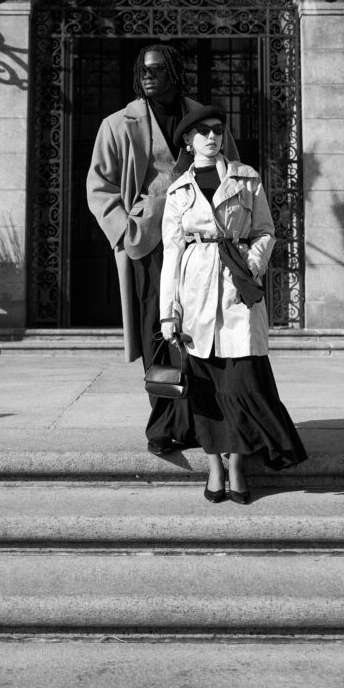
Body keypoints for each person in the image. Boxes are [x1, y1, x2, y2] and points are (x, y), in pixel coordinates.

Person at [86, 44, 239, 456]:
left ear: (175, 71)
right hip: (150, 245)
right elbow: (98, 187)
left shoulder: (207, 120)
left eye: (156, 69)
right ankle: (164, 423)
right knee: (158, 328)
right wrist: (125, 230)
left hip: (202, 244)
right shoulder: (118, 124)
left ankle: (198, 420)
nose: (148, 76)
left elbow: (234, 175)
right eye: (143, 71)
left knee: (201, 329)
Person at [159, 104, 307, 503]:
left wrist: (252, 264)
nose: (212, 137)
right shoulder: (178, 190)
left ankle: (238, 464)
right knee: (205, 384)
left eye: (217, 130)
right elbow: (171, 254)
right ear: (188, 142)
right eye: (202, 132)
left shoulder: (246, 178)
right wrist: (168, 312)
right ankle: (214, 467)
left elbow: (265, 231)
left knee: (242, 379)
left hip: (238, 283)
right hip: (195, 289)